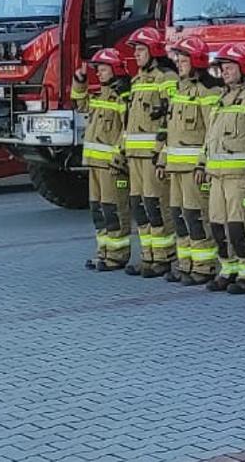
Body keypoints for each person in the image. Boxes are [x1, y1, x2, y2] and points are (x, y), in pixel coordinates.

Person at [201, 43, 245, 294]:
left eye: (230, 67)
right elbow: (210, 135)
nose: (225, 72)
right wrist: (201, 163)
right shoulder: (221, 99)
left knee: (241, 227)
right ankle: (228, 268)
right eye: (223, 68)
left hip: (239, 176)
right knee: (218, 226)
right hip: (216, 175)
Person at [162, 35, 222, 285]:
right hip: (175, 167)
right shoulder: (179, 91)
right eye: (177, 59)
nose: (178, 63)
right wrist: (163, 159)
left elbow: (212, 133)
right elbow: (170, 129)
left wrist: (202, 163)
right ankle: (185, 264)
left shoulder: (209, 93)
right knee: (179, 216)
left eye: (183, 59)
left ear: (196, 61)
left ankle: (204, 266)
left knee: (196, 216)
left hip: (193, 169)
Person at [123, 28, 177, 278]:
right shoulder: (137, 80)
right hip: (134, 156)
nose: (136, 54)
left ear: (154, 51)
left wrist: (161, 151)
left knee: (156, 206)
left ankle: (164, 258)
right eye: (135, 50)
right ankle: (148, 256)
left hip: (152, 156)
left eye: (140, 50)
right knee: (139, 207)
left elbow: (170, 117)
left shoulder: (166, 78)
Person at [74, 48, 133, 272]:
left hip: (112, 168)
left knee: (113, 210)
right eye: (97, 69)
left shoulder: (122, 98)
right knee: (98, 211)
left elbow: (128, 130)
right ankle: (103, 253)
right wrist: (80, 80)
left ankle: (117, 255)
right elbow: (80, 104)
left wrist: (119, 157)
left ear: (115, 70)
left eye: (103, 69)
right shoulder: (99, 95)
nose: (98, 73)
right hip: (95, 165)